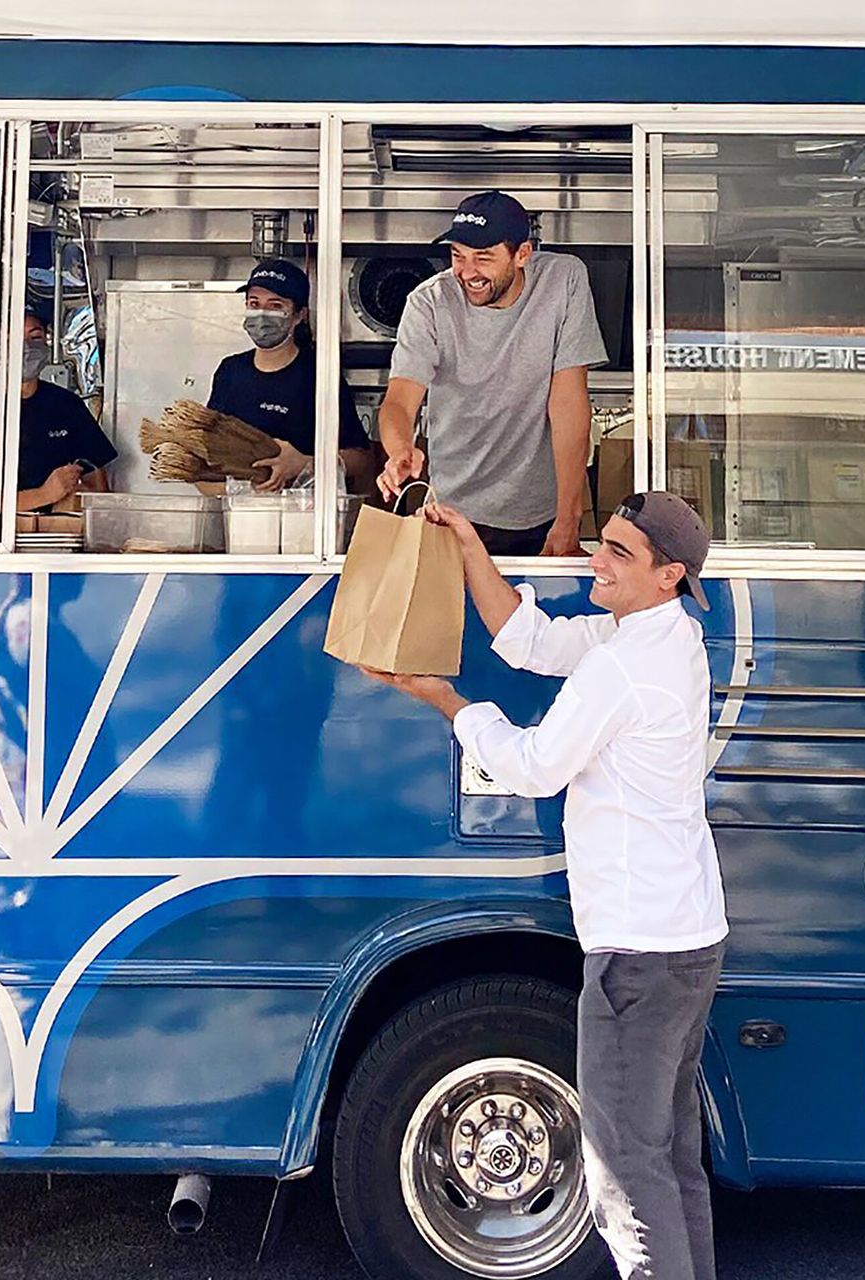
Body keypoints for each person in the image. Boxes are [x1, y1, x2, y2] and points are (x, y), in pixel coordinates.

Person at [364, 490, 727, 1280]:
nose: (596, 560)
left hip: (639, 948)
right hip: (688, 937)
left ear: (668, 575)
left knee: (625, 1174)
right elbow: (532, 641)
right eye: (604, 542)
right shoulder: (666, 635)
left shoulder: (627, 666)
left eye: (619, 554)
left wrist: (444, 700)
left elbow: (533, 765)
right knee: (671, 1159)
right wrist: (466, 544)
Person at [377, 190, 609, 556]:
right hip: (452, 512)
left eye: (483, 258)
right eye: (457, 255)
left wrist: (569, 518)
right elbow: (399, 401)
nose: (467, 272)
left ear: (522, 254)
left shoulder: (564, 280)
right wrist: (400, 448)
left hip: (541, 513)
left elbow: (568, 402)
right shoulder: (428, 303)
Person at [208, 259, 372, 493]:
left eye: (275, 306)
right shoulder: (230, 371)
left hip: (302, 515)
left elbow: (362, 460)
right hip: (239, 516)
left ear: (299, 315)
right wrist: (242, 489)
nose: (262, 314)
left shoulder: (319, 374)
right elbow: (205, 452)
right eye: (254, 303)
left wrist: (306, 464)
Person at [17, 306, 115, 513]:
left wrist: (84, 495)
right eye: (15, 337)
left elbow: (96, 478)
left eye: (35, 337)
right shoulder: (2, 409)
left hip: (57, 536)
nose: (26, 347)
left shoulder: (65, 405)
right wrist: (44, 494)